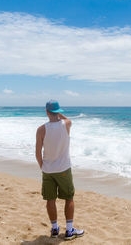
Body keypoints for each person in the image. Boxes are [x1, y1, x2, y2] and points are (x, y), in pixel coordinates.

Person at [35, 100, 84, 240]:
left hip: (48, 170)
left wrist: (42, 167)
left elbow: (37, 152)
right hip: (63, 169)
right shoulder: (66, 124)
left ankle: (55, 229)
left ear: (46, 112)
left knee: (50, 200)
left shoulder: (41, 129)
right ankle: (69, 231)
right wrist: (58, 113)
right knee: (69, 198)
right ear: (58, 111)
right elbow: (67, 119)